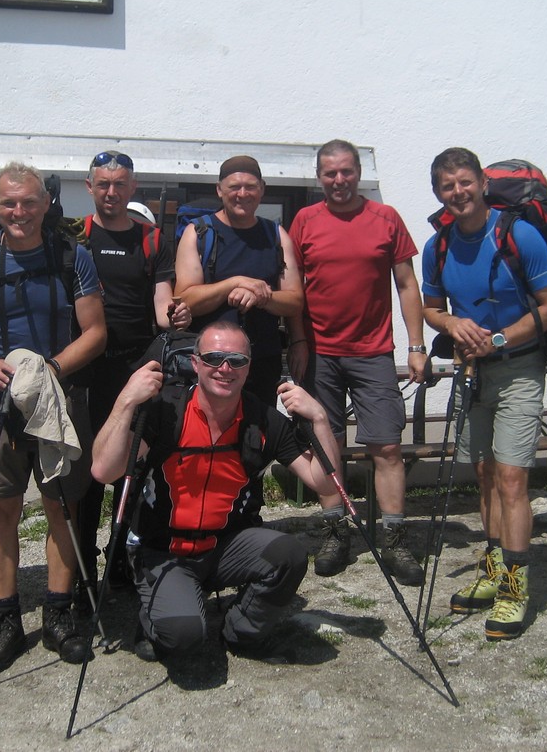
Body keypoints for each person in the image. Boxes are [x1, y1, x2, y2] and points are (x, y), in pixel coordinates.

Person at [91, 321, 340, 661]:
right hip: (166, 550)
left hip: (226, 546)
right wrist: (125, 401)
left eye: (237, 360)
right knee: (183, 638)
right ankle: (158, 616)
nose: (225, 368)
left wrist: (320, 419)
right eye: (213, 358)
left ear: (248, 368)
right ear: (195, 363)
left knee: (289, 555)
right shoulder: (166, 411)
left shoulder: (263, 420)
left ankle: (241, 633)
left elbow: (326, 484)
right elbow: (104, 470)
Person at [0, 161, 106, 673]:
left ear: (46, 204)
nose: (20, 212)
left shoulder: (72, 257)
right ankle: (6, 621)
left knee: (62, 509)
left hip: (60, 401)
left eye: (29, 202)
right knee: (2, 512)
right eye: (9, 203)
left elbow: (95, 332)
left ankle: (58, 614)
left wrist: (52, 370)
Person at [421, 147, 547, 641]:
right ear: (438, 192)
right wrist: (452, 324)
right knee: (483, 476)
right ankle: (494, 566)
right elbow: (431, 308)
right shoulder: (437, 246)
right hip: (471, 371)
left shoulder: (519, 235)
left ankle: (515, 587)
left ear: (482, 183)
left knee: (511, 478)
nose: (458, 192)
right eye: (447, 186)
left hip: (519, 368)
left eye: (465, 182)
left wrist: (498, 340)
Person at [286, 139, 429, 587]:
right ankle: (335, 532)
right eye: (330, 173)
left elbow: (406, 284)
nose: (339, 180)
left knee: (386, 447)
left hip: (373, 352)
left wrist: (417, 344)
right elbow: (292, 287)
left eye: (346, 171)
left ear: (359, 172)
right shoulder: (304, 221)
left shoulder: (385, 218)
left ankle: (394, 538)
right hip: (320, 352)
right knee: (325, 446)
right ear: (318, 177)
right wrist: (298, 340)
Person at [75, 150, 190, 588]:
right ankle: (83, 567)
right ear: (90, 187)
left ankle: (120, 556)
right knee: (87, 473)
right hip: (86, 371)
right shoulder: (76, 237)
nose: (111, 192)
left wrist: (176, 316)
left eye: (119, 184)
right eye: (103, 184)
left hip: (136, 368)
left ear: (132, 188)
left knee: (132, 470)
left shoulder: (153, 240)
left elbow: (163, 304)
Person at [175, 155, 304, 405]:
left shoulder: (276, 235)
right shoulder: (198, 233)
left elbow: (295, 301)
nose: (242, 194)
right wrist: (234, 283)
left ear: (262, 189)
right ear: (219, 190)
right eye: (234, 187)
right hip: (211, 365)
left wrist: (260, 296)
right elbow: (185, 300)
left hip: (261, 363)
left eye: (250, 187)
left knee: (258, 428)